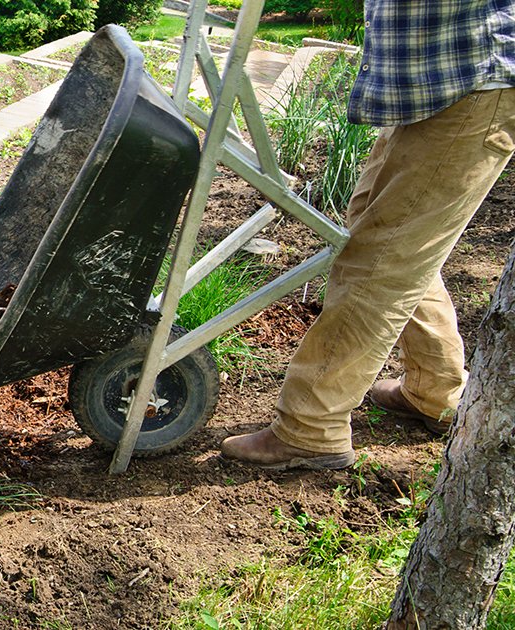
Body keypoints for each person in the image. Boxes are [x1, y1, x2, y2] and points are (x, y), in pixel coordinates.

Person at [221, 1, 515, 469]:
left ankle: (310, 427)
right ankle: (434, 390)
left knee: (381, 259)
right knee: (386, 236)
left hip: (472, 78)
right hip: (437, 83)